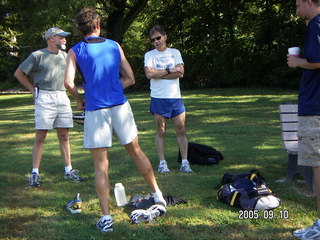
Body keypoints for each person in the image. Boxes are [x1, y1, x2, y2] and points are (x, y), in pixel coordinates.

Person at [64, 8, 166, 233]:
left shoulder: (75, 51)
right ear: (98, 25)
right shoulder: (113, 45)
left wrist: (80, 100)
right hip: (120, 107)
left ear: (80, 29)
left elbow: (68, 83)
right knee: (136, 151)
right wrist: (111, 88)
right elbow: (130, 78)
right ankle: (158, 195)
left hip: (96, 111)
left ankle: (106, 217)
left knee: (101, 166)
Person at [14, 27, 83, 187]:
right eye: (62, 37)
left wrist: (78, 98)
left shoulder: (66, 57)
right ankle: (34, 173)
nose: (65, 39)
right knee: (41, 135)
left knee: (64, 135)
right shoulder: (37, 55)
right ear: (52, 38)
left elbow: (69, 82)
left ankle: (68, 170)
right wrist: (32, 90)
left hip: (62, 96)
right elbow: (19, 73)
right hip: (44, 97)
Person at [287, 0, 320, 239]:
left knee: (318, 169)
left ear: (310, 2)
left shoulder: (316, 24)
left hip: (315, 108)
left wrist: (298, 62)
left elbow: (318, 60)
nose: (297, 9)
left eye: (299, 4)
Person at [144, 25, 193, 174]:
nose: (156, 41)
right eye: (153, 40)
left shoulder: (175, 53)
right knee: (161, 130)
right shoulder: (149, 55)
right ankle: (162, 163)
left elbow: (180, 73)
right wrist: (168, 70)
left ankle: (185, 162)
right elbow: (149, 74)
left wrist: (159, 73)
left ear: (165, 36)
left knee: (181, 129)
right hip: (158, 97)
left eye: (158, 38)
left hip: (175, 97)